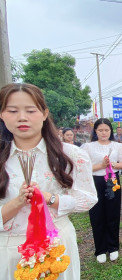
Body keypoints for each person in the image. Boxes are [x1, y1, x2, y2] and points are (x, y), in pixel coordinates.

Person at [0, 83, 98, 279]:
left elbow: (88, 198)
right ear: (2, 115)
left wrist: (50, 198)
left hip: (57, 246)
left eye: (30, 110)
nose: (22, 117)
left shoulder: (70, 154)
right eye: (12, 111)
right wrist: (16, 203)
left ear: (45, 114)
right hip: (9, 249)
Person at [81, 118, 122, 264]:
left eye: (106, 130)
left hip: (112, 181)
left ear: (111, 131)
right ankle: (100, 249)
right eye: (100, 130)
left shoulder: (118, 146)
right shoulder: (87, 147)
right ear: (95, 131)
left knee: (113, 214)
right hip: (95, 182)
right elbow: (83, 168)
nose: (103, 133)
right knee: (96, 215)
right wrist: (101, 165)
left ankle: (113, 246)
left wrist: (113, 164)